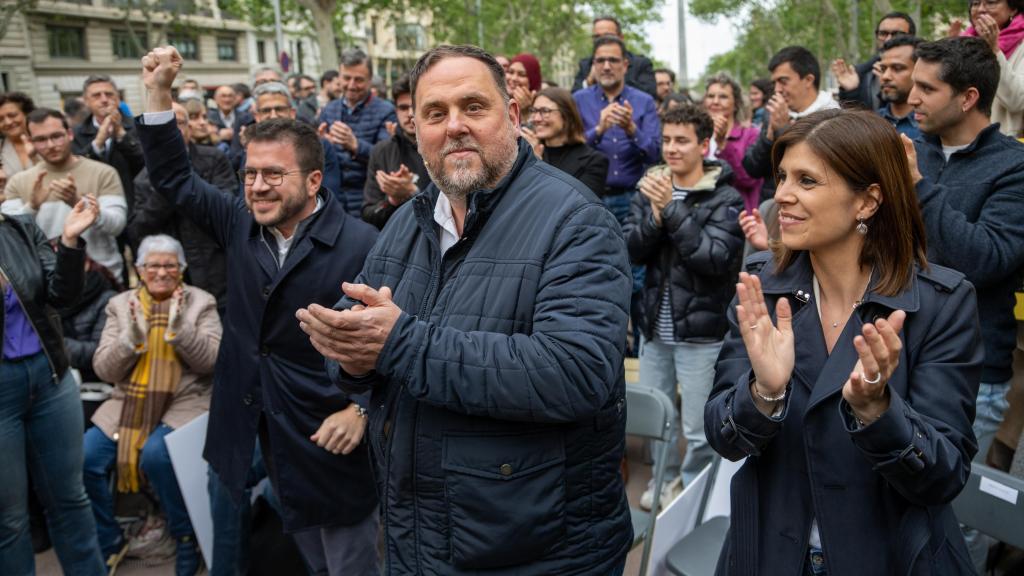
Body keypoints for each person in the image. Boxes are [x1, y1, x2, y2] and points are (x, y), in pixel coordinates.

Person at [297, 44, 633, 575]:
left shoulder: (576, 221)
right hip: (418, 537)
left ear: (514, 116)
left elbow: (576, 373)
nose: (454, 126)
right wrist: (350, 356)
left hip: (536, 553)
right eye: (434, 113)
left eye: (473, 107)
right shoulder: (407, 222)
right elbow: (361, 333)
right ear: (415, 131)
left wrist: (398, 343)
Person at [138, 46, 380, 576]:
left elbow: (388, 344)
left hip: (324, 431)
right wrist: (158, 92)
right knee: (298, 554)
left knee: (346, 562)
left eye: (274, 175)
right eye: (250, 175)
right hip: (247, 417)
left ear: (314, 182)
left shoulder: (363, 245)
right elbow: (175, 179)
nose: (258, 186)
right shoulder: (238, 222)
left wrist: (359, 410)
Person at [706, 108, 981, 575]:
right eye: (783, 177)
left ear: (867, 202)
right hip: (770, 553)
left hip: (890, 557)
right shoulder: (762, 286)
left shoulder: (940, 304)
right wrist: (765, 394)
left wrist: (878, 411)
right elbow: (724, 437)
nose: (783, 196)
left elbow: (943, 474)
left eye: (807, 181)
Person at [907, 36, 1024, 570]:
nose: (912, 98)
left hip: (973, 374)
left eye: (927, 88)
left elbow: (988, 259)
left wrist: (918, 188)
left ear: (969, 97)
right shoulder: (913, 148)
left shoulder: (1013, 169)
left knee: (955, 518)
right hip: (899, 355)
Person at [624, 104, 744, 510]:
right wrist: (656, 217)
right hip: (654, 330)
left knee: (696, 427)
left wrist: (672, 211)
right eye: (666, 140)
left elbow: (715, 260)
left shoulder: (725, 196)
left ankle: (692, 492)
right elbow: (631, 250)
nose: (671, 149)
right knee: (659, 419)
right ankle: (663, 480)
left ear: (705, 145)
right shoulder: (651, 188)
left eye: (682, 141)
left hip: (702, 333)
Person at [87, 234, 222, 575]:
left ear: (182, 269)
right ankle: (110, 539)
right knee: (86, 456)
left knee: (156, 453)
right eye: (153, 266)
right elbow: (104, 369)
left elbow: (213, 362)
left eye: (169, 265)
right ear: (139, 270)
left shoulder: (200, 302)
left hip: (185, 400)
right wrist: (130, 339)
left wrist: (180, 329)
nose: (161, 273)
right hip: (127, 404)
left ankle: (185, 536)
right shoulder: (120, 305)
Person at [0, 190, 103, 575]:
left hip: (50, 378)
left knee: (71, 499)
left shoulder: (21, 228)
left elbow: (62, 296)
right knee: (8, 519)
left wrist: (72, 241)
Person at [130, 102, 237, 314]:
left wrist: (181, 183)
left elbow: (229, 209)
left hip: (220, 271)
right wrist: (165, 188)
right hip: (173, 281)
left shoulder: (214, 159)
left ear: (189, 127)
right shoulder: (143, 178)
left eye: (178, 123)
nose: (172, 130)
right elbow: (137, 230)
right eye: (166, 124)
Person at [3, 109, 128, 281]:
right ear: (31, 142)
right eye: (40, 140)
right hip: (48, 282)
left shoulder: (103, 173)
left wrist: (79, 203)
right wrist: (32, 207)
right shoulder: (19, 181)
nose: (51, 145)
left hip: (101, 278)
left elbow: (117, 225)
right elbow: (10, 236)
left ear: (69, 134)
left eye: (56, 136)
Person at [743, 46, 840, 200]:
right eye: (774, 83)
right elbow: (752, 168)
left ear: (808, 80)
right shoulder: (773, 112)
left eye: (783, 81)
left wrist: (783, 131)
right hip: (773, 207)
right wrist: (768, 138)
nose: (777, 90)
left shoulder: (835, 117)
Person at [318, 48, 397, 215]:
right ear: (339, 77)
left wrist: (354, 145)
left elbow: (386, 160)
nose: (351, 85)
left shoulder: (386, 111)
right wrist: (323, 145)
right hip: (333, 201)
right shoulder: (328, 110)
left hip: (368, 201)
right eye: (346, 78)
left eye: (359, 80)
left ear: (370, 81)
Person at [242, 81, 341, 198]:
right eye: (266, 110)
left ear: (292, 113)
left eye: (279, 109)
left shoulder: (319, 146)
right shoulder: (251, 151)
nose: (273, 115)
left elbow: (328, 193)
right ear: (257, 117)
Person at [362, 74, 431, 229]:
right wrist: (392, 200)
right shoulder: (382, 151)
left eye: (415, 105)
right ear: (395, 110)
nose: (410, 114)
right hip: (394, 244)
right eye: (403, 107)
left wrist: (412, 192)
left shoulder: (444, 147)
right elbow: (368, 214)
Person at [71, 75, 145, 216]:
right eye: (96, 96)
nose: (104, 100)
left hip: (135, 206)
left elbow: (145, 164)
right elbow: (76, 169)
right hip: (94, 208)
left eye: (109, 94)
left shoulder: (138, 127)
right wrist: (98, 143)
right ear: (86, 102)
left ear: (118, 98)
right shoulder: (76, 133)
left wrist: (121, 135)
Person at [521, 87, 608, 195]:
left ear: (567, 115)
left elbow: (577, 206)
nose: (537, 118)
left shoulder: (594, 161)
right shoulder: (527, 152)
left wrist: (537, 163)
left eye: (545, 111)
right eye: (534, 111)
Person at [960, 0, 1024, 136]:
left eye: (991, 2)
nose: (981, 9)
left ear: (1013, 9)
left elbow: (1017, 101)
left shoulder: (1022, 45)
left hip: (1006, 142)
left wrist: (994, 49)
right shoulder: (963, 42)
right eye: (976, 4)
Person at [832, 12, 917, 110]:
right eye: (883, 34)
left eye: (897, 34)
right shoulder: (859, 74)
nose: (888, 39)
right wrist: (851, 92)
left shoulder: (925, 71)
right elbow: (854, 119)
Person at [703, 73, 763, 213]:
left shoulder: (751, 134)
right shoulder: (697, 134)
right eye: (711, 96)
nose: (715, 101)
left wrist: (723, 145)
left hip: (738, 216)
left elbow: (749, 179)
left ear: (736, 103)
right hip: (703, 214)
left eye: (723, 96)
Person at [60, 256, 117, 384]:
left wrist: (52, 344)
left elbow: (101, 353)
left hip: (95, 382)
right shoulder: (48, 298)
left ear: (86, 264)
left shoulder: (107, 299)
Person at [572, 15, 657, 98]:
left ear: (621, 38)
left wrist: (613, 78)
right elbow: (572, 102)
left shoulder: (640, 64)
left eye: (608, 36)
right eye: (597, 37)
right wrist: (589, 81)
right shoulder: (586, 65)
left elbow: (649, 96)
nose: (602, 40)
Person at [876, 35, 923, 139]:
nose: (885, 76)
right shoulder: (871, 124)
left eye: (897, 68)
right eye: (883, 69)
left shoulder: (935, 129)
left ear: (920, 71)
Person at [0, 92, 37, 192]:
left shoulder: (46, 141)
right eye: (1, 119)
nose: (8, 122)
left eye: (12, 115)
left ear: (26, 114)